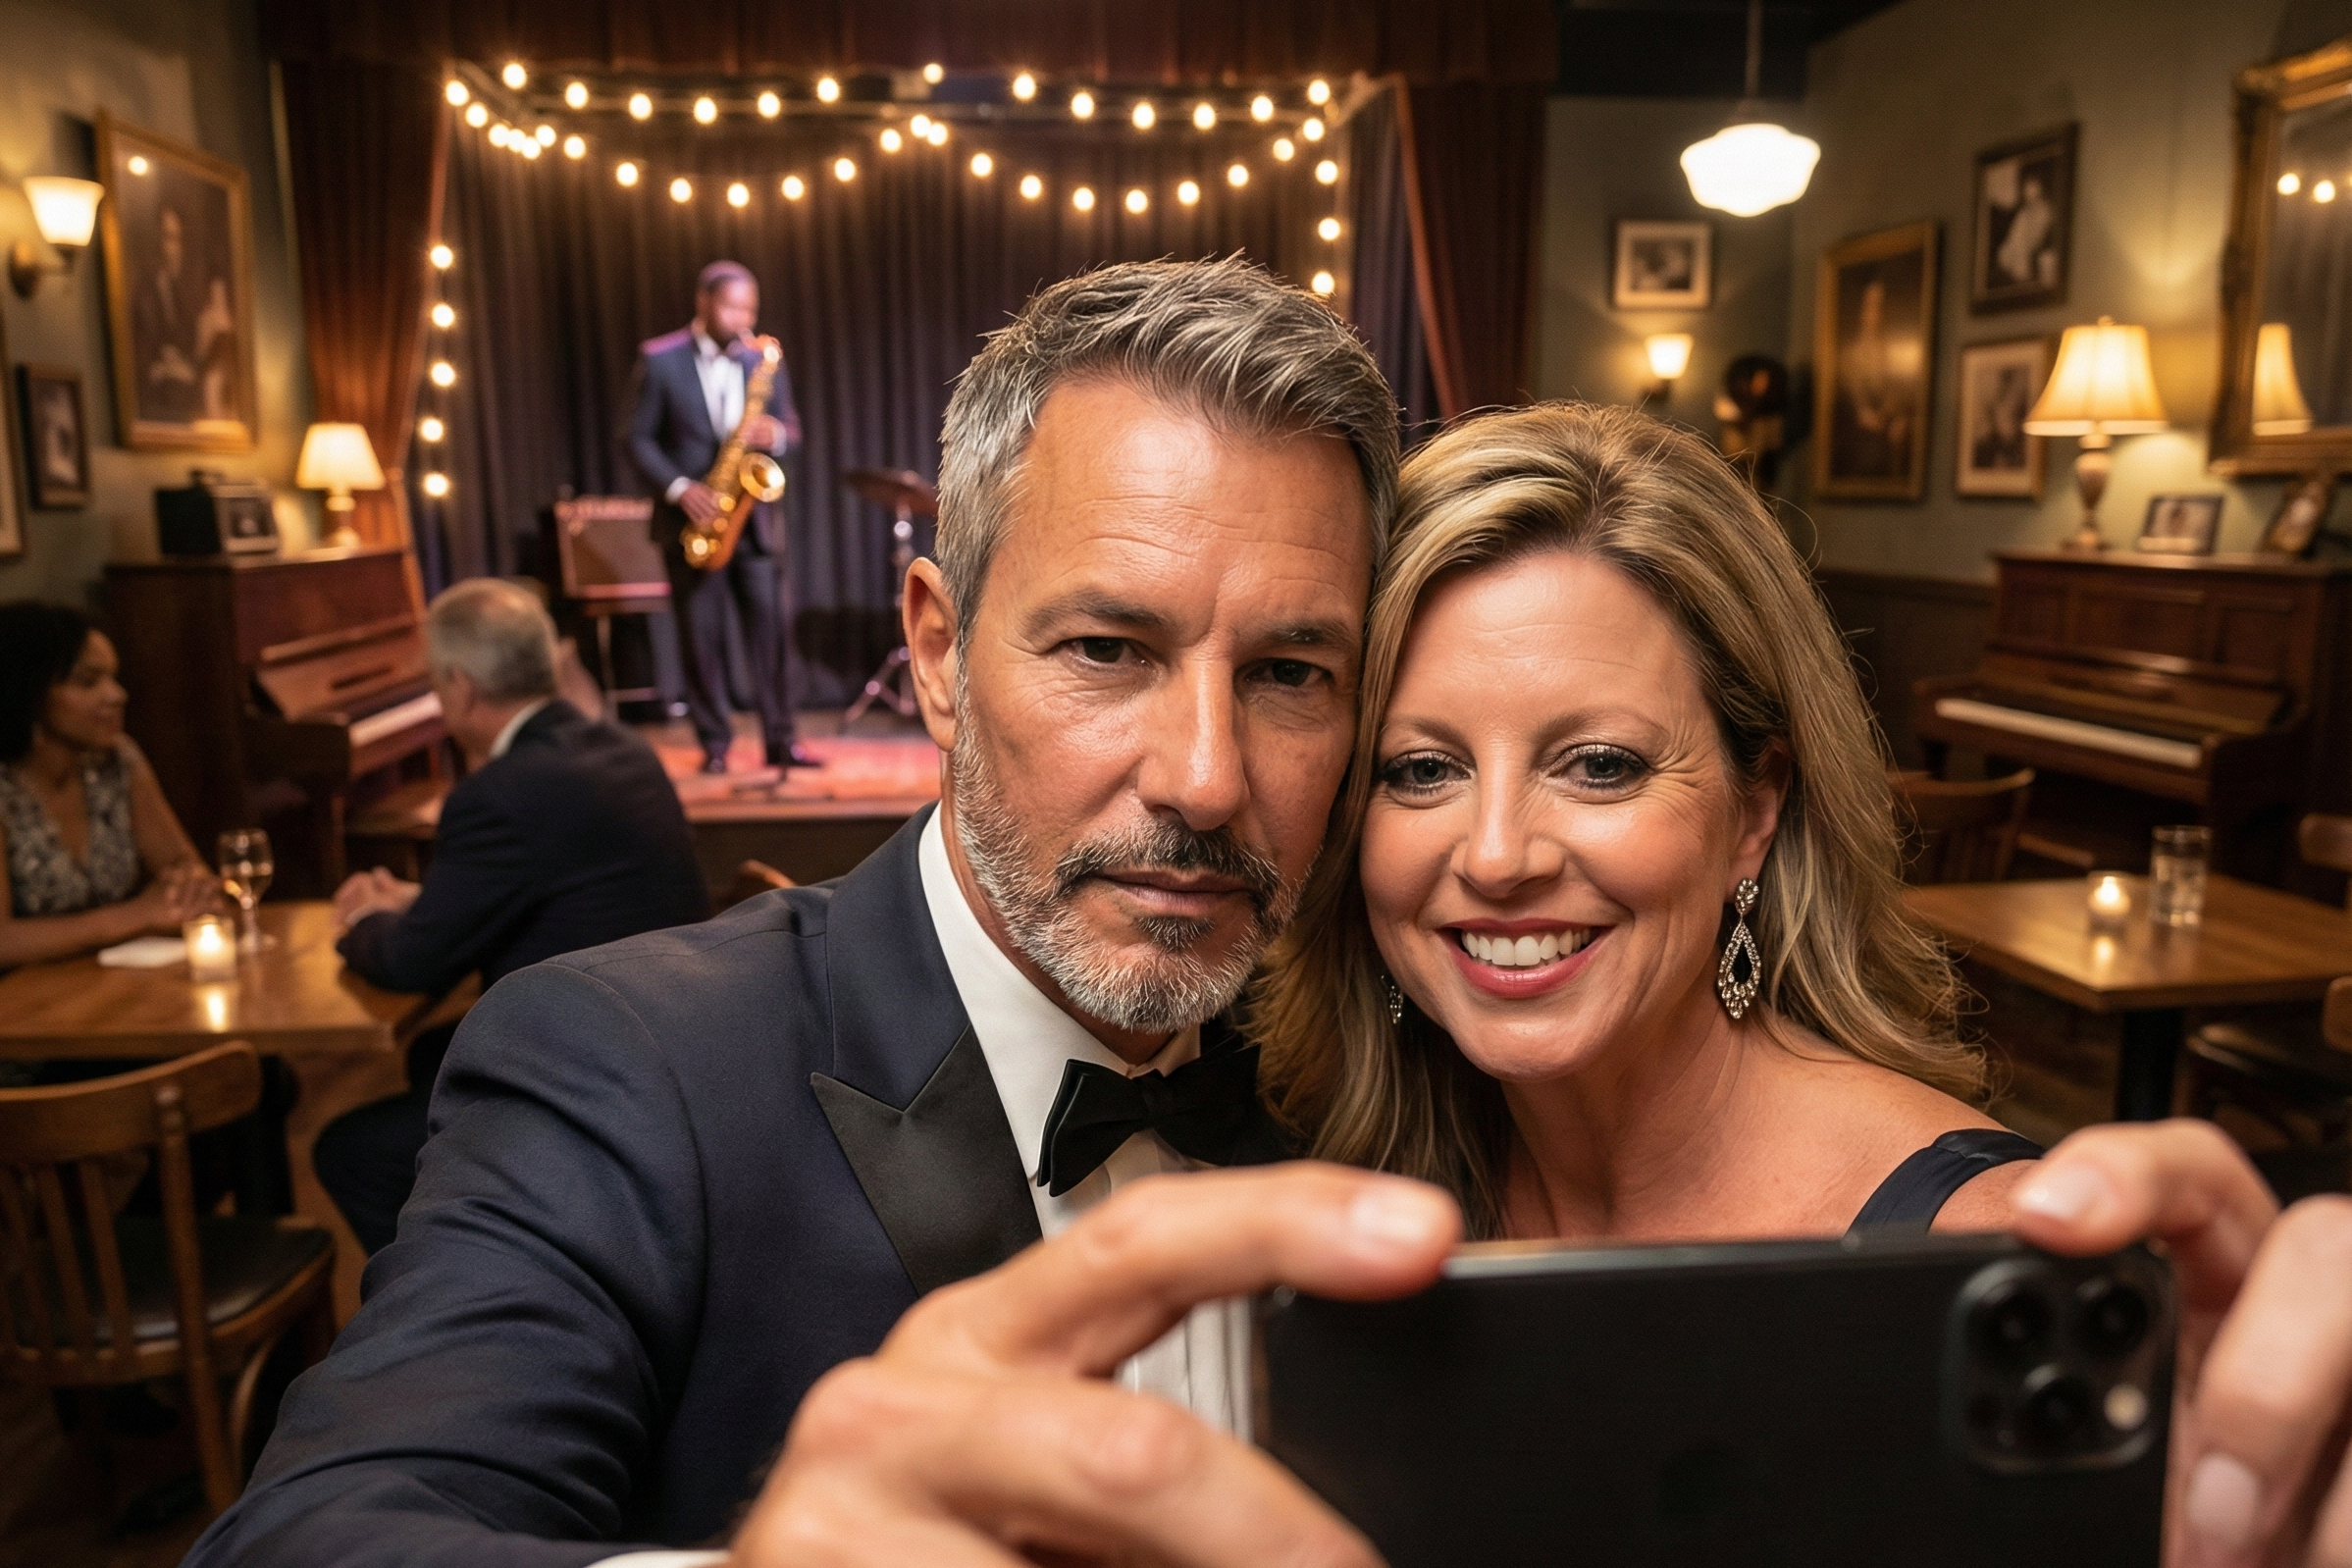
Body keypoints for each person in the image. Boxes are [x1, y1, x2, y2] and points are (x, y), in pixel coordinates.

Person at [190, 278, 2352, 1568]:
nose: (1209, 773)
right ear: (933, 652)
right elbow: (320, 1536)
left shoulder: (1369, 1088)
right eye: (1106, 649)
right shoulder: (625, 1058)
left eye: (1300, 678)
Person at [1256, 401, 2032, 1245]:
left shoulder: (1975, 1245)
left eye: (1599, 766)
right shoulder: (1329, 1178)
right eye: (1422, 771)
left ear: (1754, 811)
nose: (1495, 857)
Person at [312, 578, 709, 1254]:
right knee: (431, 1058)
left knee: (348, 1152)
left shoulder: (497, 794)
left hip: (594, 1089)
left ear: (461, 688)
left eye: (435, 685)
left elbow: (411, 963)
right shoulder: (618, 748)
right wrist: (414, 902)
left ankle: (454, 1297)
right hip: (678, 1049)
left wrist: (358, 925)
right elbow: (545, 884)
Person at [627, 259, 817, 775]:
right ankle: (715, 744)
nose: (742, 318)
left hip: (752, 525)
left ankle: (782, 740)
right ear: (705, 302)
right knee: (702, 641)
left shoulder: (763, 362)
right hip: (693, 522)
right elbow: (636, 439)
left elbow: (792, 432)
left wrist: (775, 436)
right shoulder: (660, 359)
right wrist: (680, 488)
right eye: (733, 306)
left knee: (772, 637)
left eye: (750, 309)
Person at [0, 601, 216, 971]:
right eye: (88, 681)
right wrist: (136, 916)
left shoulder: (118, 760)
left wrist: (188, 889)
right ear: (29, 690)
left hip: (115, 983)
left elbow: (186, 872)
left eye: (114, 678)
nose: (117, 695)